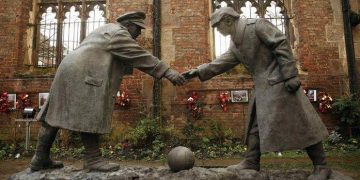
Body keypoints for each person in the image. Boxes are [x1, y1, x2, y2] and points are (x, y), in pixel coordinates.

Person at [183, 7, 331, 180]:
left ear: (228, 20)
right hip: (262, 87)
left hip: (281, 83)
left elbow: (280, 42)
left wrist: (290, 74)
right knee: (255, 125)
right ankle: (252, 161)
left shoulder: (257, 25)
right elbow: (222, 62)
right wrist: (198, 71)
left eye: (218, 26)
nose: (217, 30)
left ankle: (321, 165)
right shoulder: (235, 43)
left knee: (302, 122)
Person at [30, 11, 186, 172]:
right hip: (84, 72)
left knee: (54, 115)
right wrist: (167, 72)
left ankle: (39, 158)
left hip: (68, 70)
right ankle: (93, 159)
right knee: (90, 112)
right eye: (138, 29)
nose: (139, 33)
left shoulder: (107, 30)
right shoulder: (119, 33)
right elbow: (139, 55)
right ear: (128, 25)